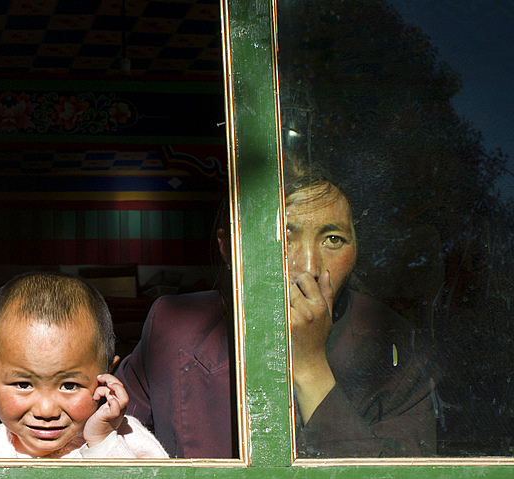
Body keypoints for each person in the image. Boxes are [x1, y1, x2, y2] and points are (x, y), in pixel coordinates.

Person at [116, 167, 436, 458]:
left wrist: (310, 368)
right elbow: (103, 444)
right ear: (230, 248)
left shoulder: (393, 344)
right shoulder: (174, 325)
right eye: (284, 237)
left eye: (333, 239)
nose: (310, 267)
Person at [0, 272, 167, 459]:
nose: (46, 411)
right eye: (23, 384)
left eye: (69, 385)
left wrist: (102, 443)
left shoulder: (128, 439)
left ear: (107, 373)